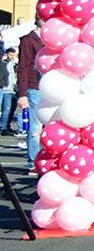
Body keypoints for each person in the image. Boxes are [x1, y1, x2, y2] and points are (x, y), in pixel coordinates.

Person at [16, 23, 42, 172]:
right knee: (35, 129)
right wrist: (22, 94)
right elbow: (23, 67)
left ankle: (44, 161)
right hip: (34, 88)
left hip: (49, 88)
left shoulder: (50, 39)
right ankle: (34, 162)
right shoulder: (29, 40)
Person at [0, 48, 16, 135]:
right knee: (6, 109)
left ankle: (7, 126)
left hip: (14, 90)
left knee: (12, 110)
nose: (12, 57)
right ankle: (3, 128)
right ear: (7, 54)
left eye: (13, 55)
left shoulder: (15, 64)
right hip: (6, 89)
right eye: (10, 55)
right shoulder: (3, 63)